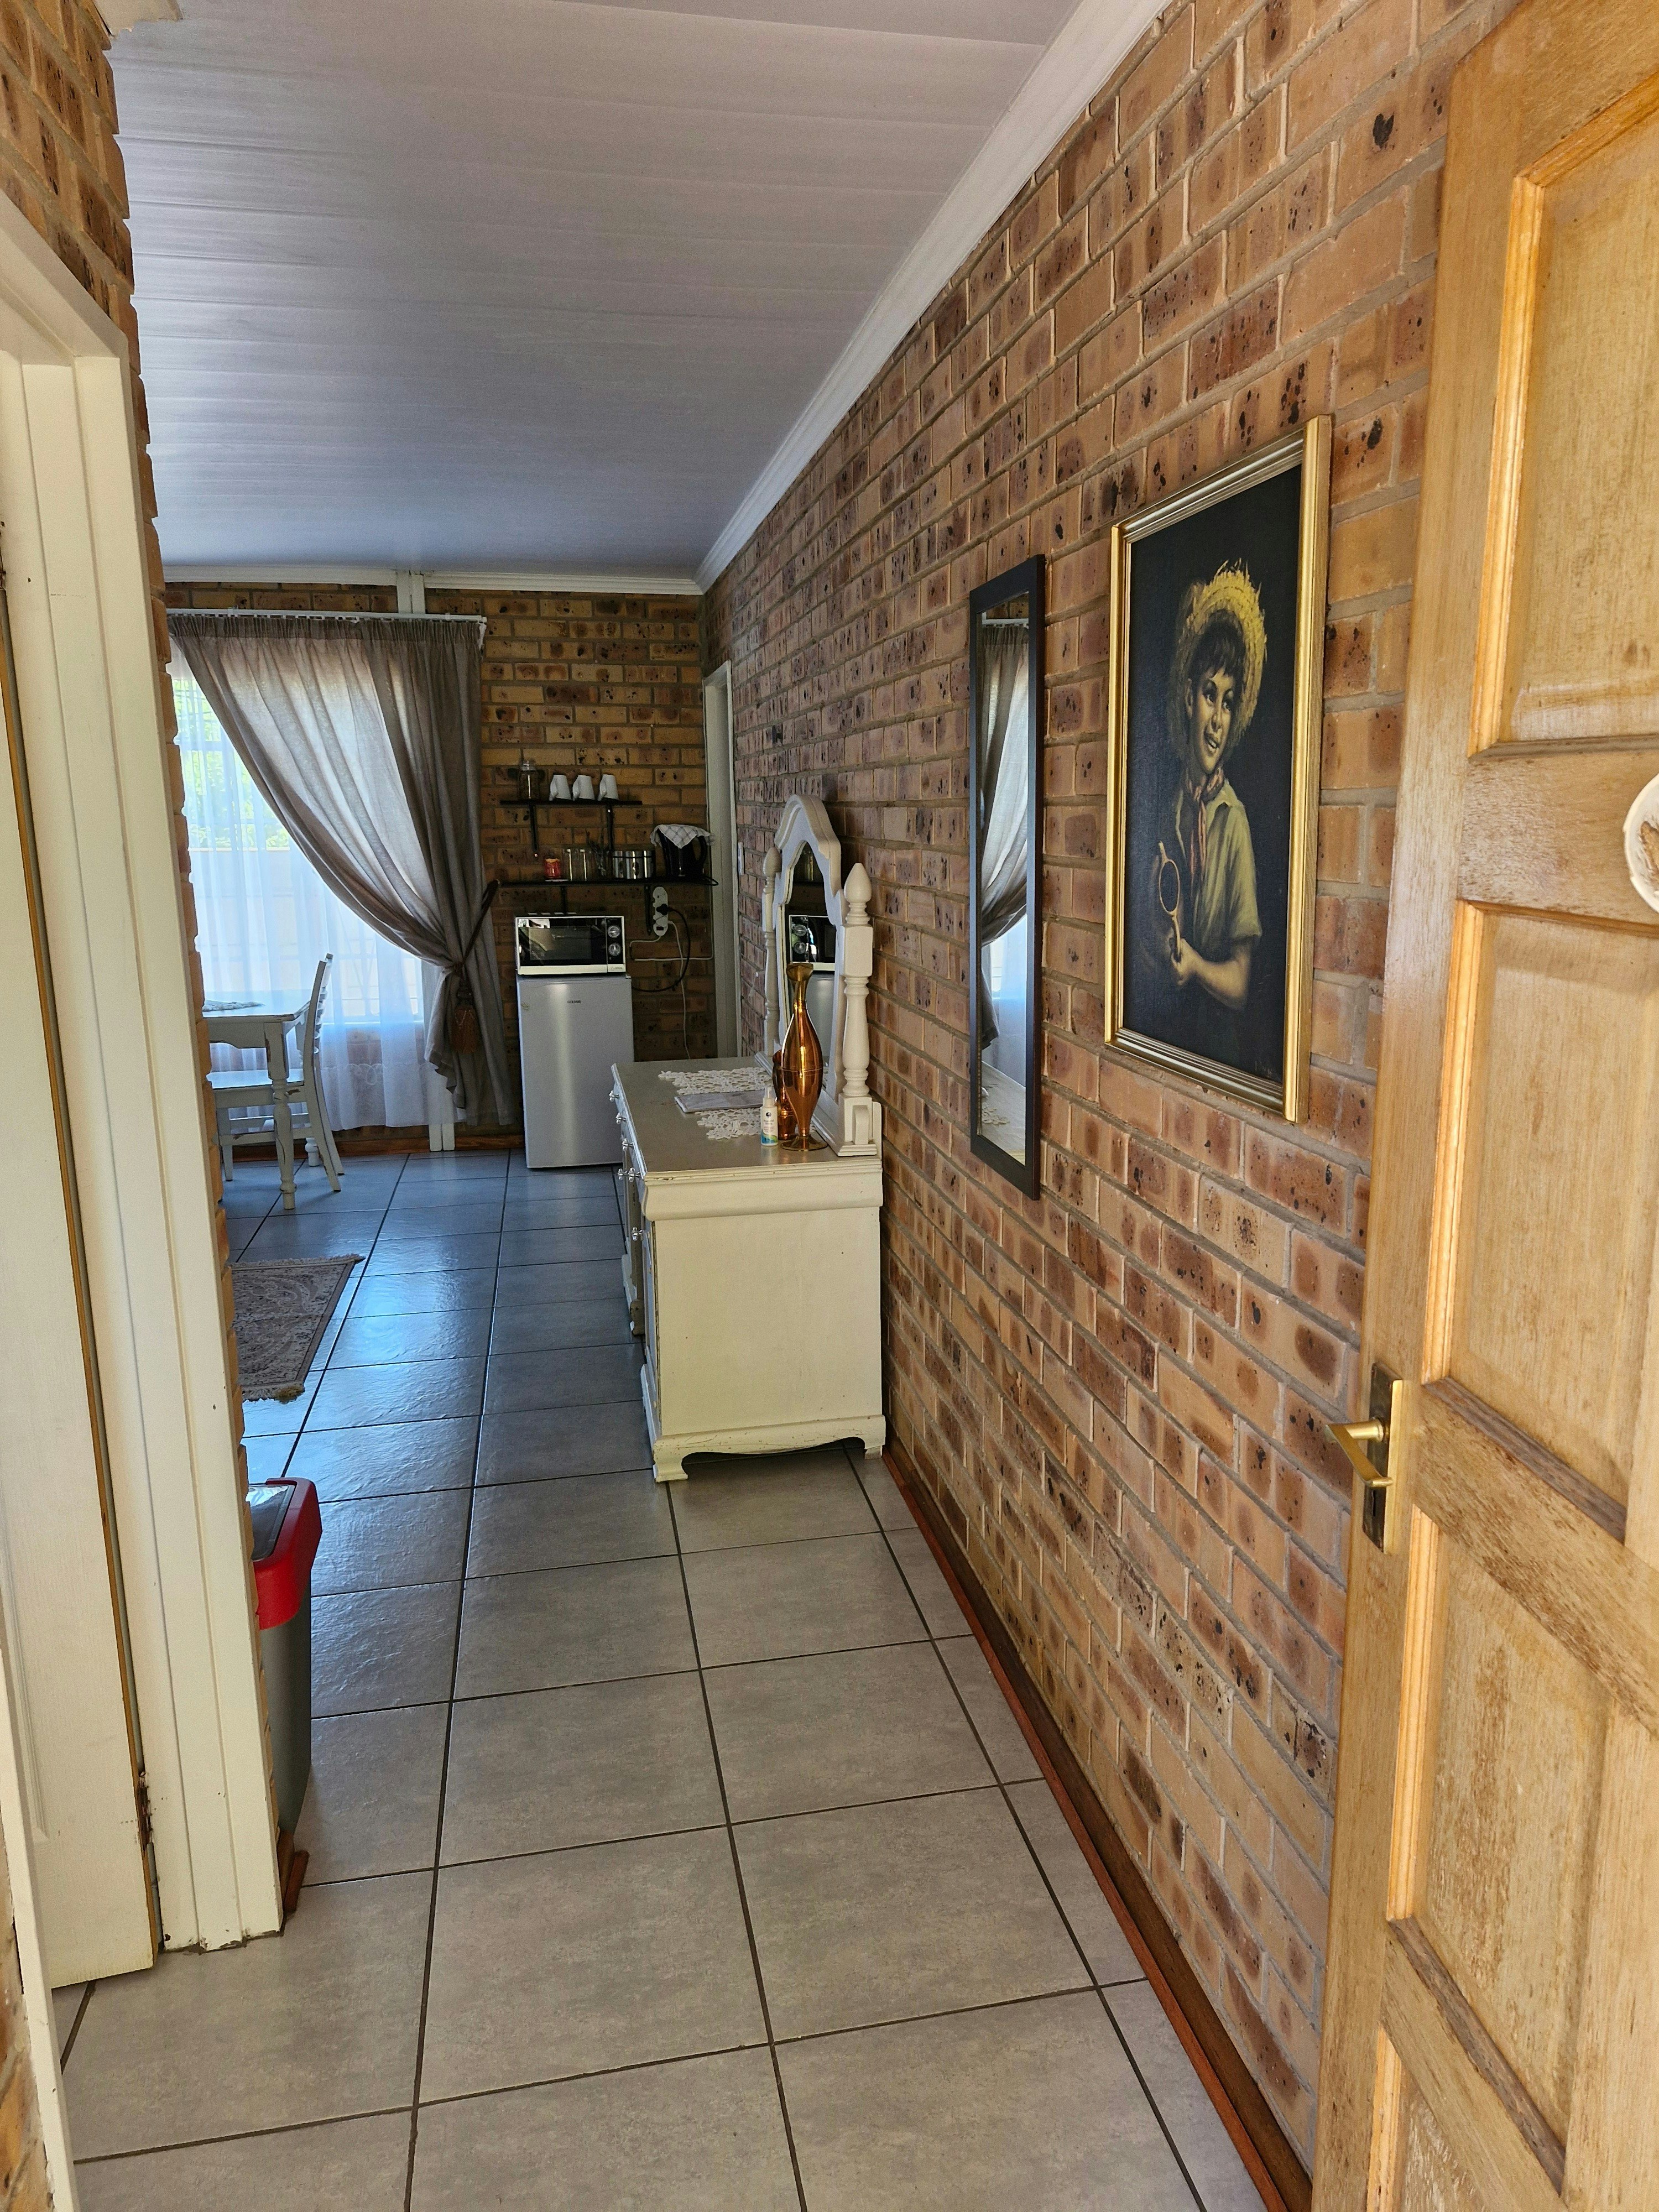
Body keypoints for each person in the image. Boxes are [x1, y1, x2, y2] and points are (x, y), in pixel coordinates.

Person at [1141, 563, 1266, 1067]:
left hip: (1217, 1058)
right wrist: (1159, 947)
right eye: (1210, 695)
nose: (1217, 720)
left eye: (1228, 703)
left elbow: (1241, 982)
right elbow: (1146, 949)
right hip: (1166, 1044)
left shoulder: (1233, 822)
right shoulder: (1168, 810)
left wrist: (1194, 966)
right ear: (1189, 696)